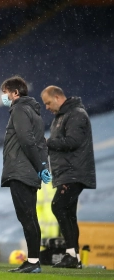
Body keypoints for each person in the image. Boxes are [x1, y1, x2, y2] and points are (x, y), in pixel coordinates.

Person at [0, 76, 52, 273]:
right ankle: (32, 260)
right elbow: (40, 143)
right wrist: (42, 166)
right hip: (28, 171)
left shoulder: (20, 108)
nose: (3, 97)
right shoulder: (34, 112)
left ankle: (33, 262)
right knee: (29, 217)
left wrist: (40, 166)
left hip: (21, 171)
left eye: (5, 92)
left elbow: (27, 140)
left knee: (27, 217)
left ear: (15, 93)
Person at [41, 86, 96, 269]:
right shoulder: (60, 117)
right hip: (65, 172)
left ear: (57, 98)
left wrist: (48, 143)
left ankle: (71, 254)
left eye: (48, 103)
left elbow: (74, 142)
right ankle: (74, 257)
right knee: (69, 213)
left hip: (74, 172)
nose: (47, 107)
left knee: (58, 206)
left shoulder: (76, 114)